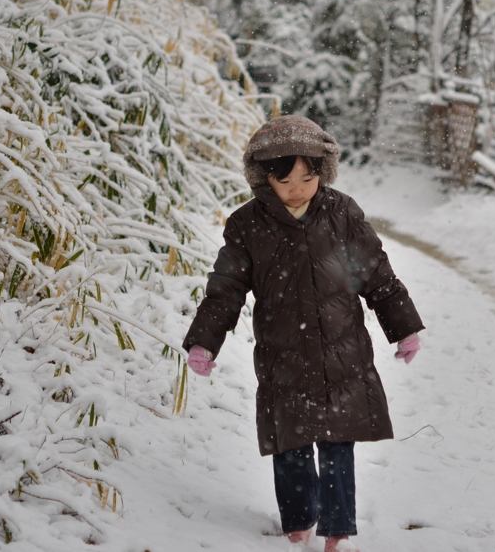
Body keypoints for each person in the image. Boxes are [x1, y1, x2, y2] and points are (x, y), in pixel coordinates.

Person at [182, 115, 425, 552]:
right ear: (264, 178)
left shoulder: (342, 213)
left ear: (322, 173)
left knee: (337, 447)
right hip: (284, 356)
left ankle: (337, 530)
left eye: (308, 177)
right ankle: (298, 521)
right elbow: (226, 290)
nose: (298, 189)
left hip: (342, 353)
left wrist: (403, 327)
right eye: (287, 180)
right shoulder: (246, 225)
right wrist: (204, 340)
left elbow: (376, 272)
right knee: (290, 442)